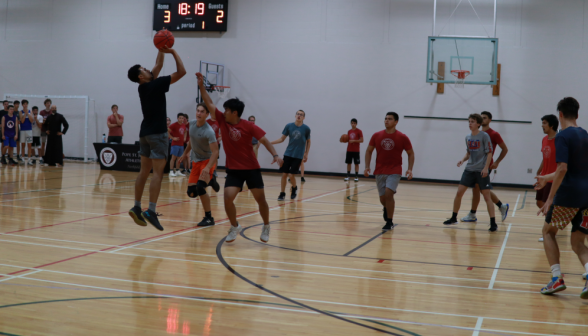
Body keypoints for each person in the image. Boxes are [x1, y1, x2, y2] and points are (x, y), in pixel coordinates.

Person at [197, 72, 283, 243]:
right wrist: (201, 86)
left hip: (251, 168)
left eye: (227, 110)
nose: (224, 112)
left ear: (234, 113)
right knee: (227, 198)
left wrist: (275, 155)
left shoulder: (248, 126)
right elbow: (210, 103)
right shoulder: (222, 120)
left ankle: (266, 225)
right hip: (234, 170)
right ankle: (234, 226)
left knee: (261, 200)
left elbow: (264, 140)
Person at [533, 97, 588, 299]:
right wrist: (546, 179)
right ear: (578, 114)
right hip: (586, 195)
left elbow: (563, 168)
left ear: (560, 115)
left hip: (569, 195)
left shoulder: (562, 136)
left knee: (548, 231)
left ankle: (556, 278)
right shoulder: (585, 134)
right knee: (577, 242)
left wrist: (550, 198)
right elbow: (574, 170)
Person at [127, 46, 186, 231]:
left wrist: (161, 48)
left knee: (143, 172)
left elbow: (158, 64)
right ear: (141, 76)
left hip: (144, 133)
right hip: (158, 134)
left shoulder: (143, 87)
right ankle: (151, 210)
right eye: (144, 69)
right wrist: (174, 52)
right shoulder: (156, 84)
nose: (147, 68)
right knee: (158, 174)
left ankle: (136, 206)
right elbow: (182, 72)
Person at [443, 114, 497, 231]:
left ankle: (493, 223)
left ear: (478, 124)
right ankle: (453, 218)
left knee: (487, 196)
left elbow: (489, 153)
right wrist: (462, 160)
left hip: (481, 170)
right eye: (469, 121)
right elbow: (468, 153)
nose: (470, 124)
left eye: (472, 122)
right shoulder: (468, 137)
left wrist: (485, 168)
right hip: (469, 170)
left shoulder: (484, 136)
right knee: (459, 193)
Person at [364, 112, 415, 231]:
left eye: (390, 119)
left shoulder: (402, 137)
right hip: (380, 170)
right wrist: (367, 166)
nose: (386, 121)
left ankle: (389, 221)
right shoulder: (376, 135)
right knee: (383, 199)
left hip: (395, 170)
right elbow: (368, 151)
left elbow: (411, 153)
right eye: (385, 119)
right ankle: (386, 209)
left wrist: (410, 169)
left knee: (388, 193)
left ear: (396, 122)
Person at [461, 111, 509, 223]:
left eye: (485, 118)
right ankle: (500, 206)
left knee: (481, 190)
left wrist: (497, 162)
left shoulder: (494, 134)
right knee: (478, 190)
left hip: (485, 166)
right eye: (481, 118)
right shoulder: (477, 134)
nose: (483, 120)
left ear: (490, 120)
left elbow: (505, 149)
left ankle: (474, 213)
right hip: (475, 167)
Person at [180, 103, 221, 226]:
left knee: (200, 187)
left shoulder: (209, 131)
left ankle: (209, 218)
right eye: (198, 110)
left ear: (207, 114)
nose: (199, 113)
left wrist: (208, 167)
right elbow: (191, 142)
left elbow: (215, 152)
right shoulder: (192, 124)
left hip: (208, 161)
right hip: (196, 161)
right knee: (191, 193)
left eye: (202, 111)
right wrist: (184, 154)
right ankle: (211, 180)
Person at [271, 110, 311, 201]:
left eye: (301, 115)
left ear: (304, 117)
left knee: (291, 175)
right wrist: (270, 143)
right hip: (288, 153)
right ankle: (282, 193)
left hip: (298, 155)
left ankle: (294, 188)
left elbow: (308, 142)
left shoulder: (306, 129)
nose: (299, 116)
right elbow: (282, 139)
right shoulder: (289, 126)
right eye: (297, 114)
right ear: (295, 115)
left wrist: (306, 153)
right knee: (284, 174)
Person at [536, 114, 559, 243]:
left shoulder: (559, 140)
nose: (542, 125)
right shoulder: (544, 139)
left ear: (552, 125)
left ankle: (549, 231)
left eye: (544, 123)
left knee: (548, 205)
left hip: (553, 179)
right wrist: (539, 171)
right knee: (539, 202)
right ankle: (554, 223)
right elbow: (545, 158)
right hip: (544, 177)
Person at [168, 113, 187, 177]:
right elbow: (167, 131)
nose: (181, 119)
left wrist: (184, 137)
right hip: (175, 144)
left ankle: (177, 171)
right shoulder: (174, 125)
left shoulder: (184, 125)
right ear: (177, 118)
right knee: (173, 158)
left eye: (182, 118)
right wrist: (173, 138)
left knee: (179, 158)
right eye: (180, 118)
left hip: (181, 144)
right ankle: (171, 171)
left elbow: (185, 132)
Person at [18, 100, 34, 165]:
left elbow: (31, 120)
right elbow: (22, 121)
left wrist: (28, 113)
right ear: (22, 105)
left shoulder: (31, 111)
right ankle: (23, 159)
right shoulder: (20, 112)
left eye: (26, 104)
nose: (25, 105)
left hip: (29, 130)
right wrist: (25, 113)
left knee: (29, 145)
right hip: (22, 130)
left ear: (27, 104)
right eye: (24, 104)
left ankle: (29, 159)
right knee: (23, 145)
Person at [207, 112, 222, 177]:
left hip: (216, 142)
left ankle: (214, 171)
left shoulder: (218, 122)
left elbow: (222, 131)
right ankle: (208, 170)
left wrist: (221, 137)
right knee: (208, 157)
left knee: (215, 157)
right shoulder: (207, 122)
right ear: (210, 114)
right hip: (208, 142)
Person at [39, 98, 52, 164]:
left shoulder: (52, 111)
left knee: (50, 144)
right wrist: (46, 121)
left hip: (50, 130)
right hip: (43, 130)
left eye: (49, 103)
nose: (48, 104)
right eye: (47, 103)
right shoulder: (42, 112)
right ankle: (41, 158)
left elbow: (52, 121)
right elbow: (41, 121)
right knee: (43, 144)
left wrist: (46, 121)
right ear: (45, 104)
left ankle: (49, 157)